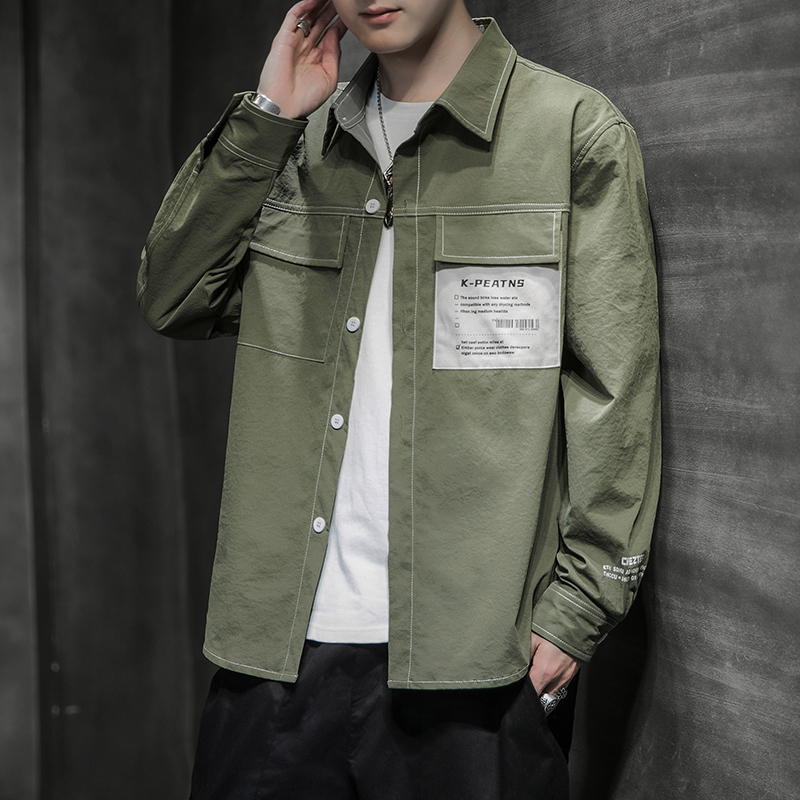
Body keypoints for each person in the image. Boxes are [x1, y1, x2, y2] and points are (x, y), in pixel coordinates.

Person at [138, 0, 660, 797]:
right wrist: (269, 115)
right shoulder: (293, 142)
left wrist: (574, 618)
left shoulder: (571, 133)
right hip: (274, 666)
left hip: (479, 674)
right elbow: (174, 297)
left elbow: (615, 397)